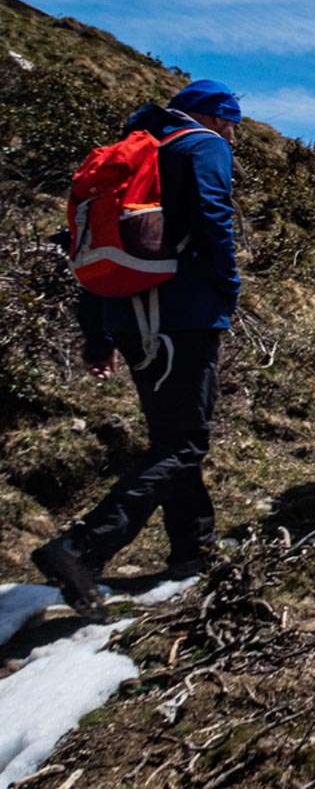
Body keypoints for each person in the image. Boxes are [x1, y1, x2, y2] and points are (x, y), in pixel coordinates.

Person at [33, 80, 244, 618]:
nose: (235, 134)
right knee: (185, 444)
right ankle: (82, 547)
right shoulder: (202, 145)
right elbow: (215, 215)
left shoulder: (133, 153)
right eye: (233, 122)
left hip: (126, 313)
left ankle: (191, 550)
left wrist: (97, 334)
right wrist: (226, 287)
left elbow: (90, 245)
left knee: (173, 436)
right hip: (180, 317)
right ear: (215, 117)